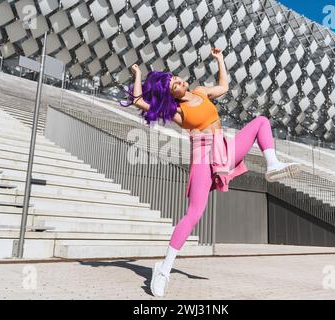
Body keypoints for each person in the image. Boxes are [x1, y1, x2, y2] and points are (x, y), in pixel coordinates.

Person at [120, 48, 301, 297]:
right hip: (203, 156)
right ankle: (164, 269)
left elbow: (223, 86)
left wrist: (220, 60)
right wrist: (138, 74)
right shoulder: (177, 112)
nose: (180, 81)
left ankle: (272, 166)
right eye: (174, 84)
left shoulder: (201, 92)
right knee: (194, 213)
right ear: (170, 93)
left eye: (176, 78)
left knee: (261, 121)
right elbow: (139, 101)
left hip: (224, 147)